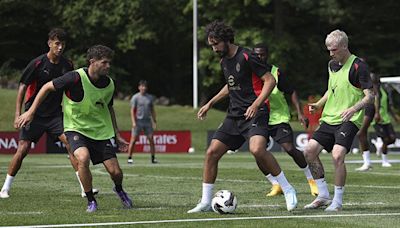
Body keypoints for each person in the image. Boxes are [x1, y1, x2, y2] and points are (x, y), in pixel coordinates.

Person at [187, 20, 297, 213]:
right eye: (211, 45)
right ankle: (205, 201)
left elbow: (270, 81)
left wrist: (256, 104)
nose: (213, 49)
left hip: (256, 112)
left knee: (257, 150)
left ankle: (288, 189)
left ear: (226, 40)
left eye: (216, 44)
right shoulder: (223, 61)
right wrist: (209, 103)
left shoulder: (247, 56)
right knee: (211, 153)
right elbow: (230, 86)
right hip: (234, 115)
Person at [16, 45, 132, 213]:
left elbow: (109, 108)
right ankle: (91, 201)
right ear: (92, 62)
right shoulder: (74, 77)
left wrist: (117, 134)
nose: (108, 66)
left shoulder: (109, 84)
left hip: (99, 132)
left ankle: (119, 190)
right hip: (75, 128)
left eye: (109, 63)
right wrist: (31, 112)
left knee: (116, 172)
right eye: (104, 62)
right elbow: (47, 87)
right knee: (83, 158)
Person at [0, 28, 98, 199]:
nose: (60, 47)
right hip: (34, 114)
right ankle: (5, 188)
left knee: (71, 144)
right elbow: (23, 86)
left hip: (55, 116)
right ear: (49, 44)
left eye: (63, 44)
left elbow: (70, 88)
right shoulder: (37, 63)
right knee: (23, 149)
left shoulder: (67, 65)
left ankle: (84, 187)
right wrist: (18, 114)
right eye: (57, 43)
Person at [303, 29, 374, 212]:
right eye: (328, 50)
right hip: (329, 118)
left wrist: (353, 109)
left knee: (337, 155)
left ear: (344, 46)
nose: (331, 53)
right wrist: (319, 104)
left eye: (334, 49)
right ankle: (323, 195)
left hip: (349, 119)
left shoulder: (359, 66)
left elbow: (370, 96)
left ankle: (338, 201)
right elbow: (331, 88)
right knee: (309, 151)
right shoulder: (331, 65)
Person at [253, 44, 318, 197]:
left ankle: (312, 180)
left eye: (262, 54)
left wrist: (300, 113)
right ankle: (276, 184)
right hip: (259, 117)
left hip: (278, 117)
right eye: (256, 55)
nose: (260, 58)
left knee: (289, 148)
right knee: (258, 152)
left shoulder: (276, 72)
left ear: (267, 55)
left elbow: (292, 91)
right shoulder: (249, 72)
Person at [127, 80, 158, 164]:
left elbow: (152, 110)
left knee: (151, 139)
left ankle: (153, 158)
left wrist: (154, 121)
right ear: (139, 87)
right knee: (133, 140)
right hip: (138, 121)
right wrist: (133, 122)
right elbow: (132, 110)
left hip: (147, 121)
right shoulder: (135, 97)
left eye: (145, 86)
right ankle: (129, 157)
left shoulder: (149, 97)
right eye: (142, 86)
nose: (143, 88)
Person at [355, 72, 380, 171]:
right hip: (364, 107)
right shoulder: (361, 81)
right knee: (362, 134)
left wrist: (377, 112)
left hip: (370, 108)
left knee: (361, 133)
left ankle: (367, 162)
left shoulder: (370, 81)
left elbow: (376, 96)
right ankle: (367, 162)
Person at [372, 80, 399, 167]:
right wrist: (376, 114)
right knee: (386, 139)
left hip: (386, 119)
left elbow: (388, 106)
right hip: (377, 120)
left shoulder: (384, 92)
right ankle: (384, 161)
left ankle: (380, 145)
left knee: (393, 139)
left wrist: (395, 116)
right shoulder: (371, 92)